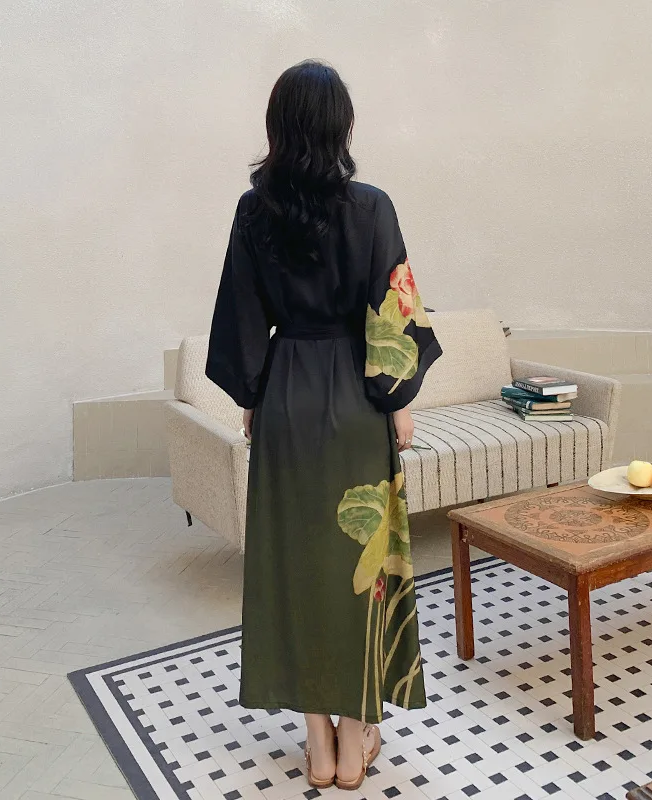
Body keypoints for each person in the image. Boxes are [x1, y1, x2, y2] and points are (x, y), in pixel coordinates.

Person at [206, 60, 442, 791]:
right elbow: (391, 311)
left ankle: (317, 742)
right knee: (358, 567)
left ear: (277, 127)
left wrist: (253, 394)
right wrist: (398, 401)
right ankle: (355, 730)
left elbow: (242, 314)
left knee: (294, 565)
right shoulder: (371, 207)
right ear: (343, 126)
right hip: (355, 403)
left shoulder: (255, 211)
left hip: (286, 396)